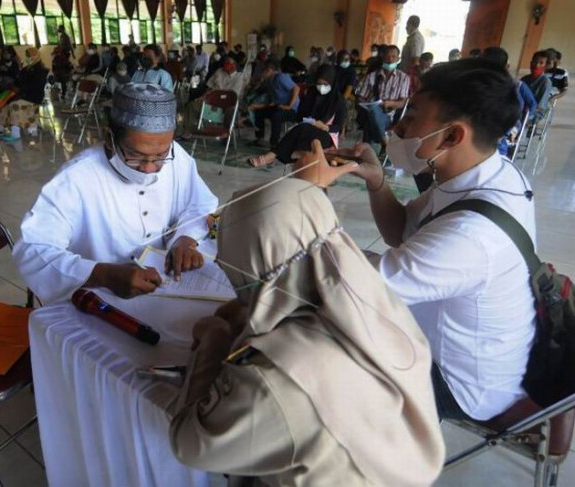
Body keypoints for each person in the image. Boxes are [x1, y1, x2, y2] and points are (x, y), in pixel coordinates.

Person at [295, 58, 537, 423]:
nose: (398, 124)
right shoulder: (483, 174)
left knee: (302, 357)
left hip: (457, 381)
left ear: (453, 136)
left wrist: (311, 191)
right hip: (449, 343)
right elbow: (402, 230)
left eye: (414, 115)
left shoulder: (471, 235)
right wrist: (377, 180)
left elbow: (351, 288)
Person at [169, 178, 445, 487]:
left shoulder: (275, 376)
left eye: (232, 265)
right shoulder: (374, 302)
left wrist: (214, 340)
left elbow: (190, 443)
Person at [13, 83, 218, 304]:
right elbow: (33, 249)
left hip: (166, 286)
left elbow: (200, 205)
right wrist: (103, 275)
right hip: (100, 298)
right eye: (135, 156)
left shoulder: (177, 157)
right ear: (109, 138)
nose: (149, 168)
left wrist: (185, 240)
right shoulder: (77, 178)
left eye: (160, 156)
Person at [248, 65, 346, 168]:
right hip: (306, 130)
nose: (321, 87)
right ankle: (274, 156)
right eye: (319, 83)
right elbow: (300, 115)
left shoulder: (338, 100)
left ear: (332, 83)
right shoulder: (312, 93)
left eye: (325, 84)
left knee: (299, 131)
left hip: (327, 135)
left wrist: (324, 126)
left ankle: (270, 156)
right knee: (300, 131)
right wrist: (310, 121)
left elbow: (338, 127)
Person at [355, 45, 410, 155]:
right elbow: (361, 96)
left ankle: (366, 151)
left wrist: (390, 103)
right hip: (369, 111)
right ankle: (384, 143)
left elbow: (403, 102)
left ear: (398, 59)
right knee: (372, 111)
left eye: (393, 57)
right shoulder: (372, 76)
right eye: (387, 56)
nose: (390, 60)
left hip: (388, 117)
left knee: (371, 118)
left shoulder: (403, 78)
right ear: (382, 57)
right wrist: (366, 103)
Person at [0, 47, 48, 139]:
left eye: (29, 56)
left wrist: (20, 90)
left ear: (35, 56)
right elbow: (18, 81)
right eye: (27, 56)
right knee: (4, 105)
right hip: (21, 94)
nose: (28, 58)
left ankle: (15, 133)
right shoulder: (26, 69)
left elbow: (35, 85)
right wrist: (13, 88)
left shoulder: (40, 70)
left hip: (33, 97)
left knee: (14, 105)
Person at [249, 58, 300, 147]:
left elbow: (296, 88)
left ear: (269, 70)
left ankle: (274, 144)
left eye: (263, 71)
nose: (261, 74)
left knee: (276, 115)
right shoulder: (269, 82)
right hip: (279, 106)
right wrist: (257, 106)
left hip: (291, 109)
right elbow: (270, 102)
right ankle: (259, 138)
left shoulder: (280, 77)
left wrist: (289, 106)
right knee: (259, 112)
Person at [521, 50, 553, 120]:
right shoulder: (524, 79)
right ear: (531, 62)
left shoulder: (545, 82)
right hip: (520, 109)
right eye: (535, 61)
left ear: (545, 66)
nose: (537, 65)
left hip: (535, 112)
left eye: (541, 63)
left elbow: (540, 106)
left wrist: (528, 112)